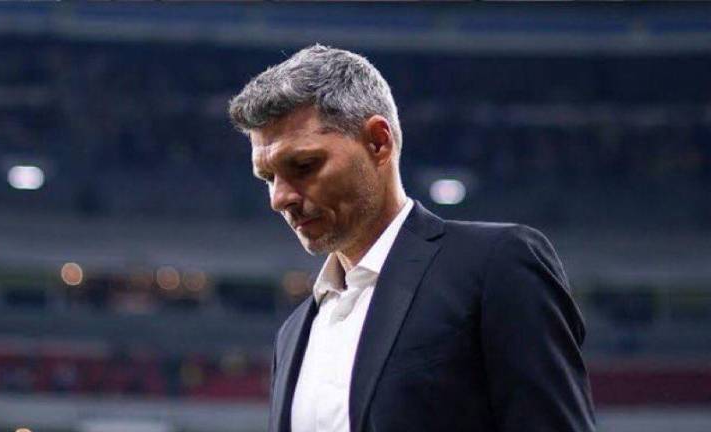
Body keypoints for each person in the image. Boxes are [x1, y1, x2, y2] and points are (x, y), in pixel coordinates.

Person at [228, 44, 596, 432]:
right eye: (268, 178)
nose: (279, 198)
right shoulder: (292, 335)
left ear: (378, 142)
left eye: (303, 165)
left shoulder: (496, 266)